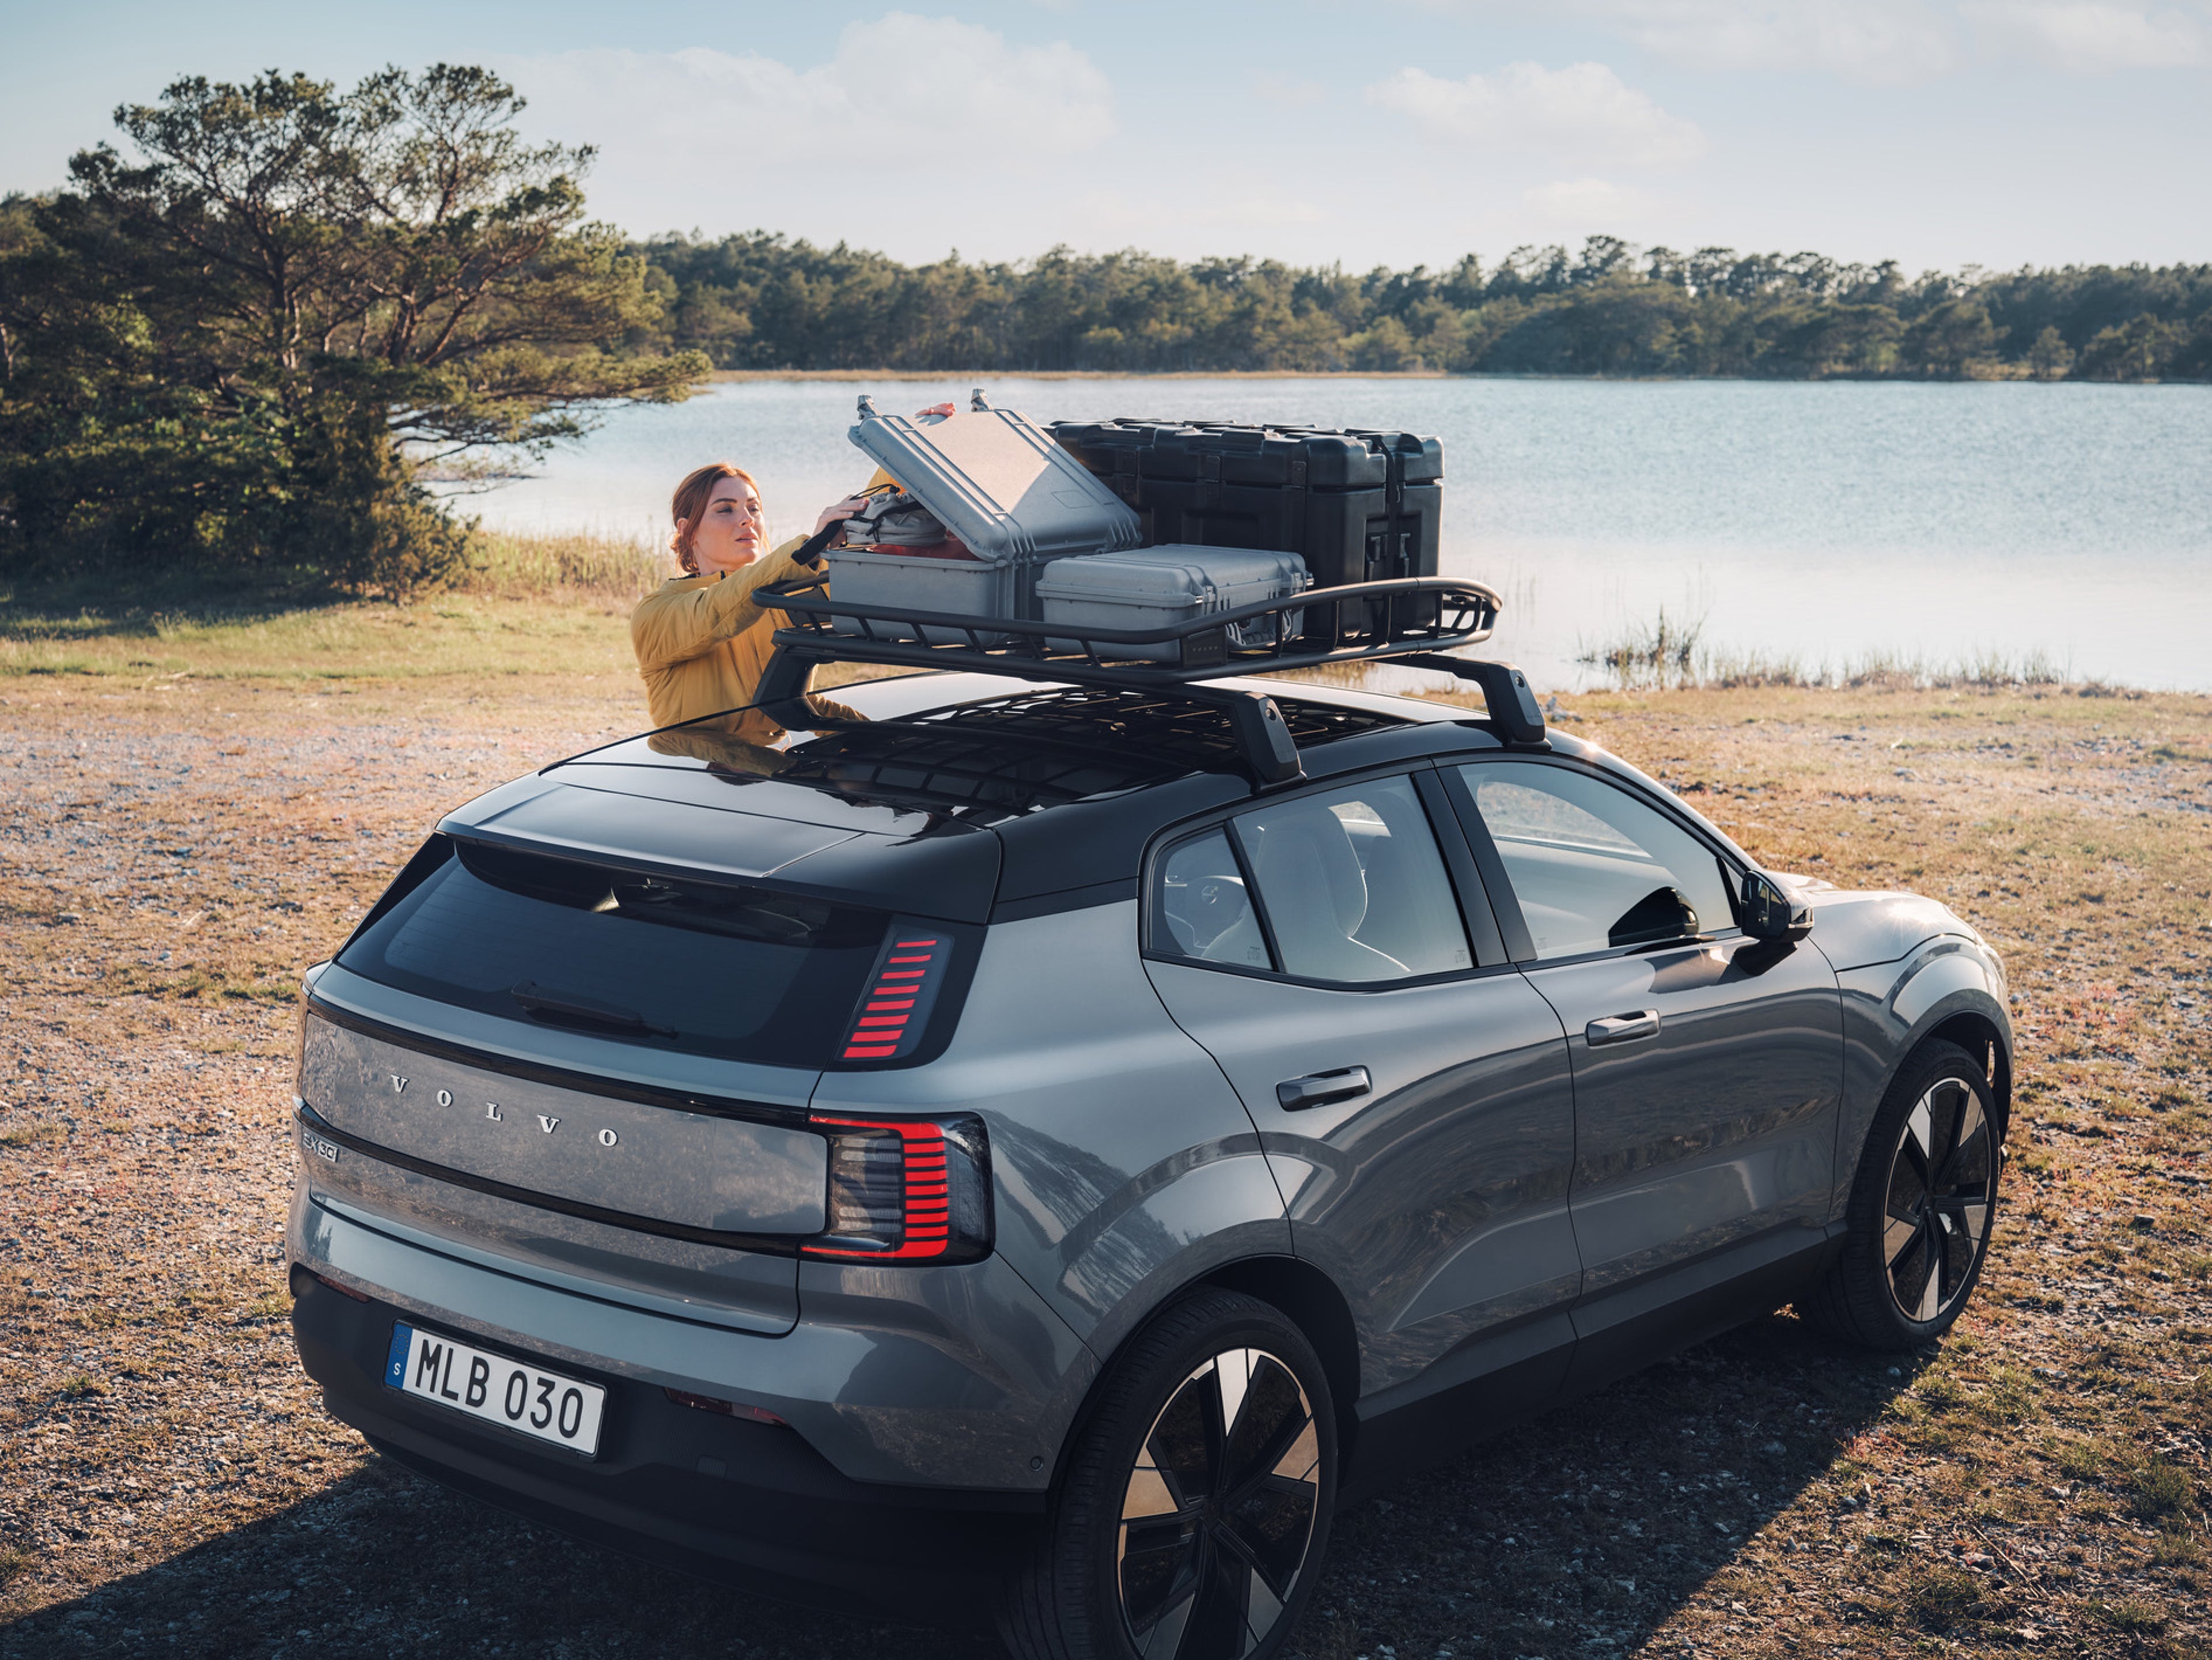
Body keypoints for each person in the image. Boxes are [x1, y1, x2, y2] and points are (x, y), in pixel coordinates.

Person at [629, 463, 869, 732]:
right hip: (697, 769)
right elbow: (718, 610)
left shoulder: (783, 596)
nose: (747, 519)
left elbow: (799, 702)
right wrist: (809, 549)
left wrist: (914, 446)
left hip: (775, 765)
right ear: (688, 530)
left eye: (753, 508)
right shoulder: (655, 612)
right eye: (725, 509)